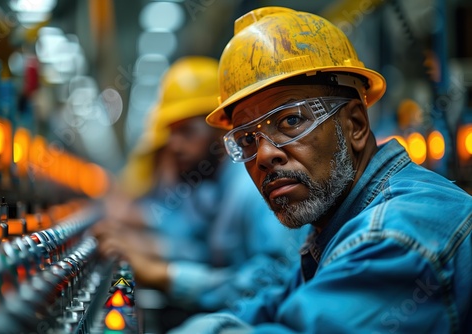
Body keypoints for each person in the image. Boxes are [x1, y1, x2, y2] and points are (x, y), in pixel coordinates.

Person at [168, 7, 472, 334]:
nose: (265, 155)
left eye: (291, 121)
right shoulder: (333, 226)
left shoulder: (393, 239)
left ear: (354, 124)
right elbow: (270, 305)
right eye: (246, 139)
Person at [94, 56, 304, 330]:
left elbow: (275, 283)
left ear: (221, 131)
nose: (174, 146)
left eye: (185, 132)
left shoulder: (252, 189)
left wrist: (164, 275)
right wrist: (149, 248)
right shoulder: (214, 188)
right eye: (171, 133)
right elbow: (203, 248)